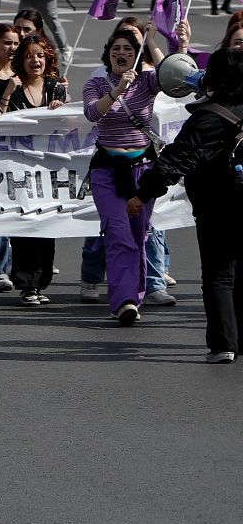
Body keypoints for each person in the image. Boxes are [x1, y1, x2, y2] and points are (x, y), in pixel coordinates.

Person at [139, 47, 243, 361]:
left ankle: (223, 344)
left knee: (219, 274)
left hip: (216, 205)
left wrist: (143, 194)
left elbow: (174, 161)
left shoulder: (208, 118)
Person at [82, 24, 166, 327]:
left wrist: (154, 41)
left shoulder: (146, 81)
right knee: (118, 235)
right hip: (107, 170)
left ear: (136, 55)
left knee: (138, 236)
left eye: (128, 49)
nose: (121, 53)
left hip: (143, 170)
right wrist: (116, 91)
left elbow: (173, 78)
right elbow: (93, 113)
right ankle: (124, 301)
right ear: (109, 54)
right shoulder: (96, 83)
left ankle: (135, 295)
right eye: (116, 48)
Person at [4, 36, 68, 305]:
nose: (35, 61)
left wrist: (62, 108)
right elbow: (1, 124)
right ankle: (26, 284)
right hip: (21, 169)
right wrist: (7, 93)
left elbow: (69, 125)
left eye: (40, 55)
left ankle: (41, 283)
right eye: (30, 56)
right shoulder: (15, 88)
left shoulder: (55, 87)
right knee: (24, 226)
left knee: (46, 227)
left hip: (50, 170)